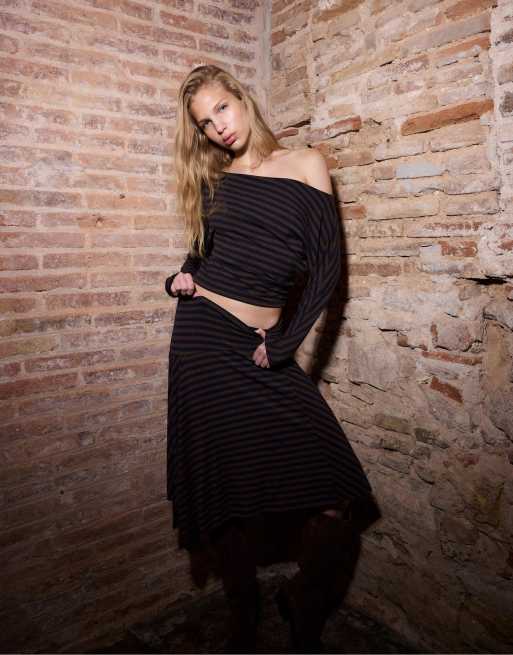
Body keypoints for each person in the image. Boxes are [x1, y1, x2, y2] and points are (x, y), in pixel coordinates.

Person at [165, 64, 380, 653]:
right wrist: (181, 276)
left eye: (222, 109)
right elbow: (200, 255)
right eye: (205, 124)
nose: (218, 127)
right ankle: (243, 616)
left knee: (338, 496)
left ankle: (302, 604)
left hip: (263, 348)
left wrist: (283, 345)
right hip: (204, 342)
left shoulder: (306, 164)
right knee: (225, 493)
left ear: (242, 98)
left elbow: (328, 268)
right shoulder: (217, 181)